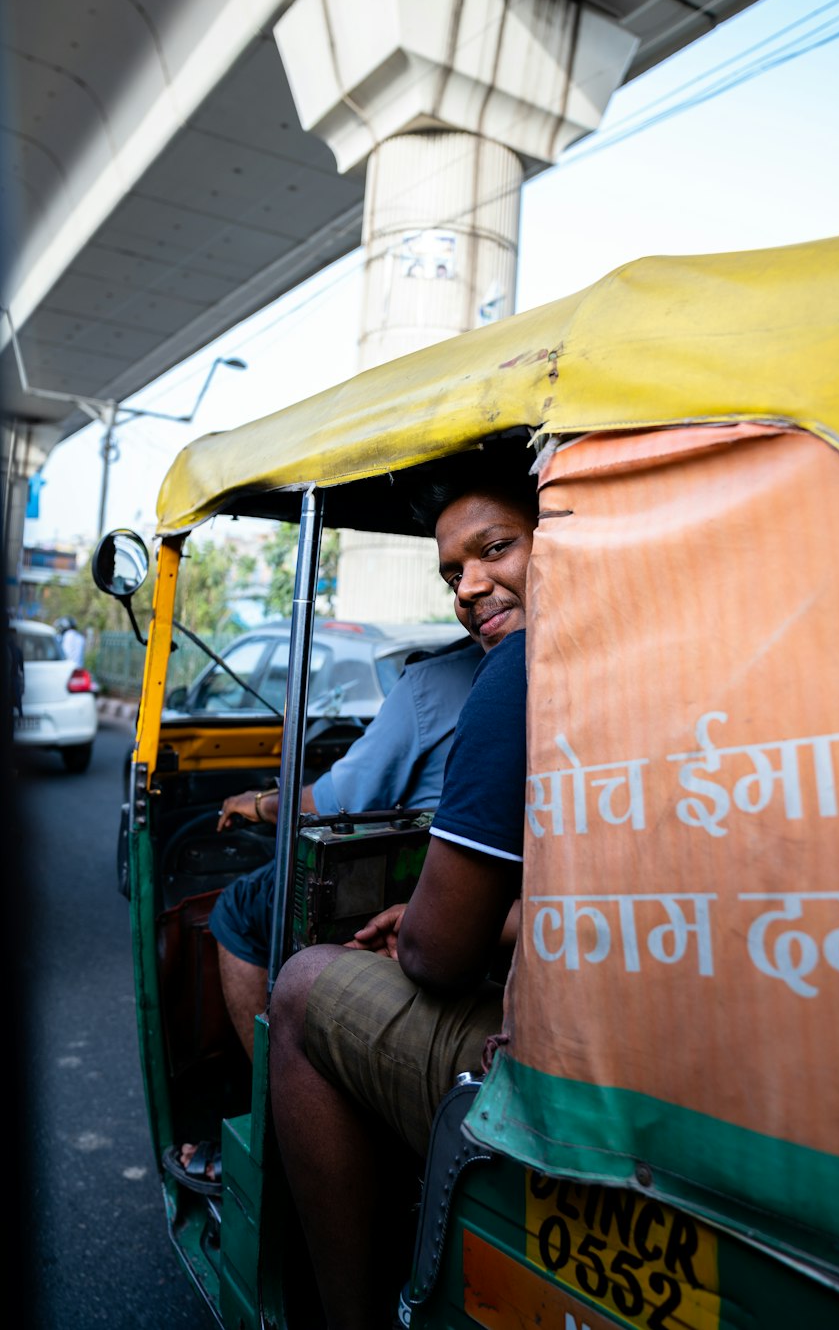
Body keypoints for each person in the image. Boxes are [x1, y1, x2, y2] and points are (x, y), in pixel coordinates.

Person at [268, 451, 537, 1330]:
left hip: (560, 1059)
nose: (472, 587)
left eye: (497, 549)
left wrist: (424, 931)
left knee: (302, 983)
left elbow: (432, 954)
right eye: (454, 573)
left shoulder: (516, 673)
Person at [210, 634, 482, 1062]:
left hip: (416, 887)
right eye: (454, 577)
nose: (467, 589)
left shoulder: (433, 682)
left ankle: (267, 1098)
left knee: (238, 909)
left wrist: (258, 804)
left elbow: (331, 805)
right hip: (472, 892)